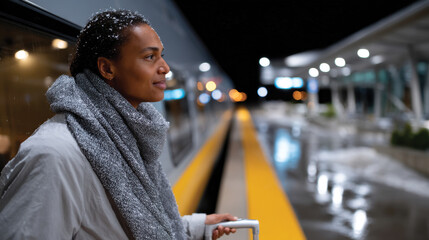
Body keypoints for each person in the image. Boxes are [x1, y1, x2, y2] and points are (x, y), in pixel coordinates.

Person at [0, 9, 236, 239]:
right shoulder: (54, 155)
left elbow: (126, 222)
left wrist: (191, 227)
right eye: (150, 57)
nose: (165, 68)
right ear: (107, 68)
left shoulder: (129, 136)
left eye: (161, 55)